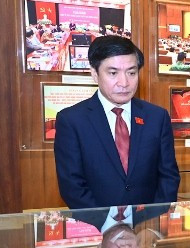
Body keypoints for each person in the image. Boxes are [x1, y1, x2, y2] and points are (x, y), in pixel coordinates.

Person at [54, 36, 180, 209]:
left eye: (131, 72)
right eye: (113, 73)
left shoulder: (157, 117)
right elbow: (72, 186)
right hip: (97, 229)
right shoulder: (71, 120)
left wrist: (151, 226)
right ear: (94, 74)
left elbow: (169, 177)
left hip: (146, 229)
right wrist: (107, 225)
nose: (124, 83)